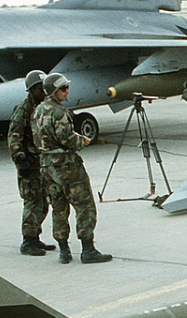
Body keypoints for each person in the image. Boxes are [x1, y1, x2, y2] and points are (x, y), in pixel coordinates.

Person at [32, 72, 112, 264]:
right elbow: (67, 139)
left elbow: (39, 138)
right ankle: (88, 250)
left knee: (58, 207)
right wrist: (83, 141)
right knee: (84, 205)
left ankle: (64, 251)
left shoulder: (38, 110)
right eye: (63, 88)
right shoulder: (59, 112)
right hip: (67, 166)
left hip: (47, 166)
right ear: (54, 92)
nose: (67, 91)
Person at [8, 69, 63, 256]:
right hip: (29, 164)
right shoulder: (23, 110)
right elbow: (14, 137)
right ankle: (28, 241)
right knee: (32, 202)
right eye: (39, 88)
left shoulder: (45, 108)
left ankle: (35, 237)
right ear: (31, 90)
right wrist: (20, 160)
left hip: (43, 163)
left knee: (43, 203)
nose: (43, 91)